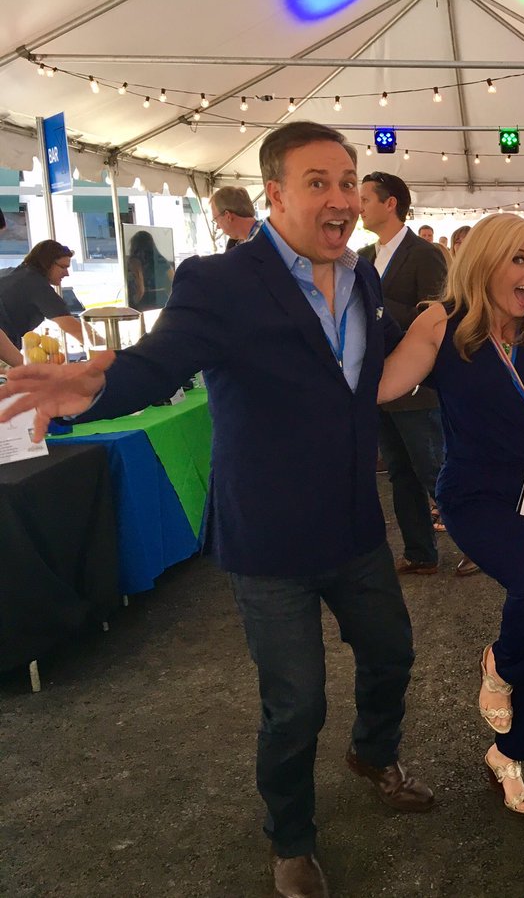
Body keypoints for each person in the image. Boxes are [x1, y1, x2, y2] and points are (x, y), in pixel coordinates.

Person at [0, 121, 433, 898]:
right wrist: (94, 387)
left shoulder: (363, 279)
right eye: (318, 183)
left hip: (354, 526)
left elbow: (389, 353)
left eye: (347, 182)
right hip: (269, 538)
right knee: (296, 703)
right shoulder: (220, 282)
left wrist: (458, 322)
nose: (340, 199)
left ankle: (374, 754)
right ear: (274, 195)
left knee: (392, 654)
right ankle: (291, 838)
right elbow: (157, 363)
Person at [376, 212, 524, 815]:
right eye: (518, 259)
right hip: (475, 496)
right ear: (483, 262)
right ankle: (496, 664)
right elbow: (383, 385)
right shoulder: (442, 323)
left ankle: (509, 753)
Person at [358, 172, 475, 576]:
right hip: (378, 383)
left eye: (365, 199)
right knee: (400, 473)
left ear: (390, 203)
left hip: (417, 386)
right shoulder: (362, 257)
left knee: (435, 470)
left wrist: (375, 303)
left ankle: (480, 544)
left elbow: (438, 314)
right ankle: (420, 551)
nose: (358, 206)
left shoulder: (424, 254)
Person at [0, 240, 85, 349]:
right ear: (47, 263)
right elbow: (76, 330)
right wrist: (103, 347)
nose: (67, 273)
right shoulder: (36, 284)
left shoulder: (9, 274)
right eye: (63, 267)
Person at [125, 230, 175, 312]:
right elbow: (173, 283)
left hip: (146, 303)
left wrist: (132, 305)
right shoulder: (162, 261)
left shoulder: (135, 261)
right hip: (163, 302)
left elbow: (140, 289)